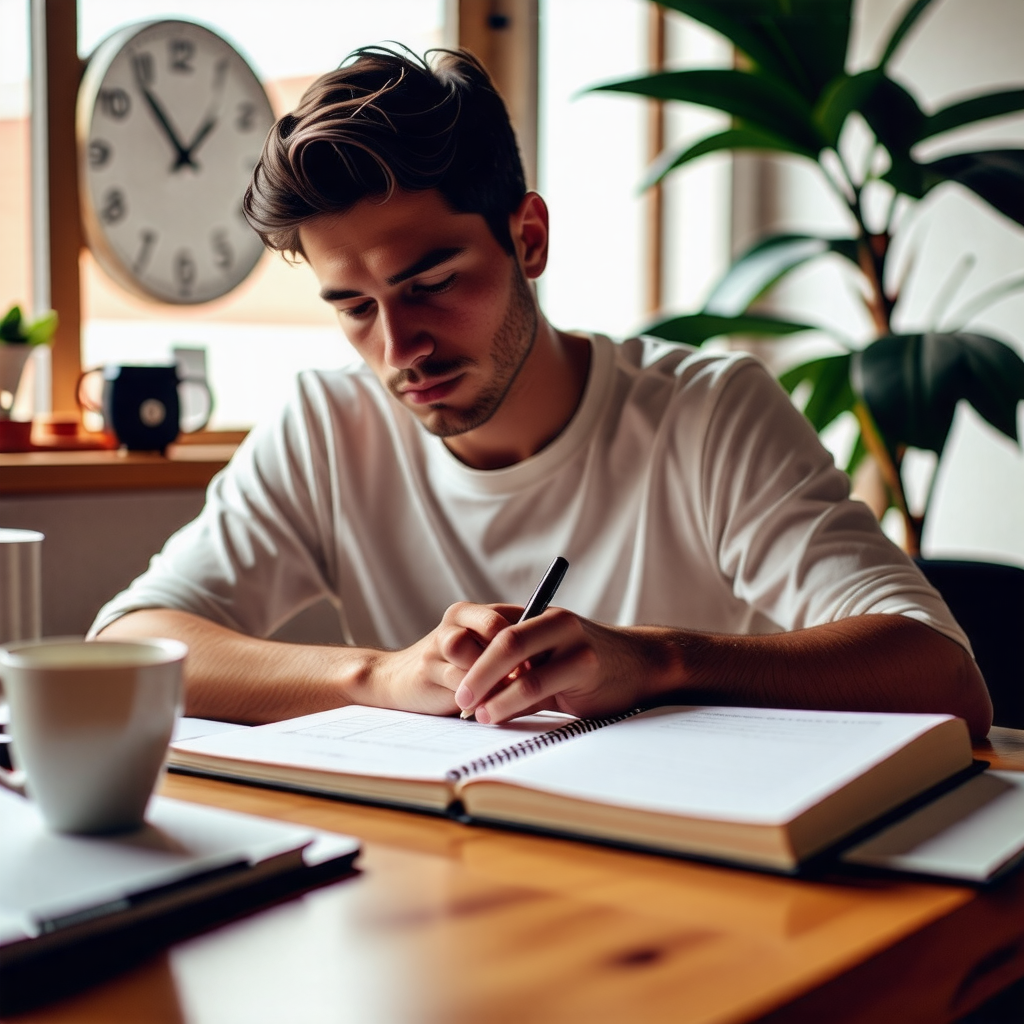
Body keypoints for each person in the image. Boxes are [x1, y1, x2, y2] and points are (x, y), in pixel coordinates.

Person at [92, 46, 992, 737]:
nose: (399, 348)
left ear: (528, 239)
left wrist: (657, 662)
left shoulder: (708, 413)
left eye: (432, 283)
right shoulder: (328, 427)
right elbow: (126, 644)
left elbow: (946, 677)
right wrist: (380, 677)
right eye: (354, 307)